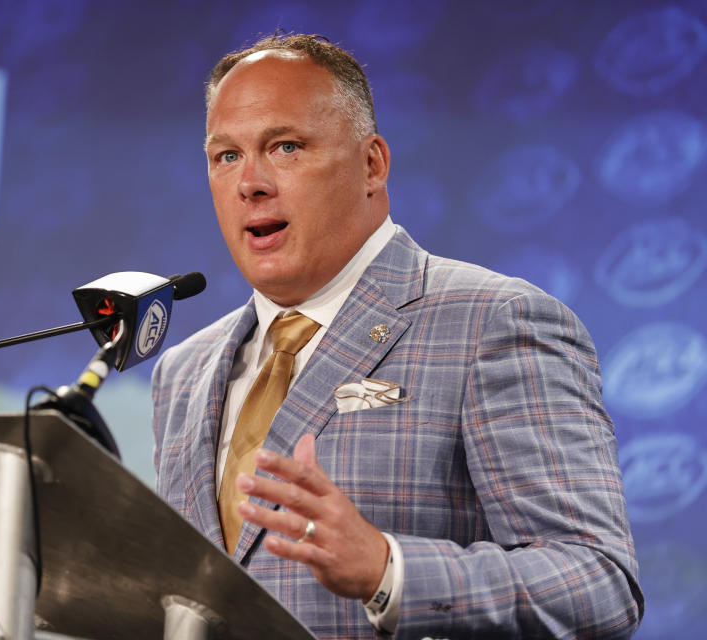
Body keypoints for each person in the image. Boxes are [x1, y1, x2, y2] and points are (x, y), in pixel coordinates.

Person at [151, 33, 643, 639]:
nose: (249, 182)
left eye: (285, 146)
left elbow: (596, 583)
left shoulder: (493, 320)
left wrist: (390, 569)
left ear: (371, 165)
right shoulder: (184, 371)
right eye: (226, 156)